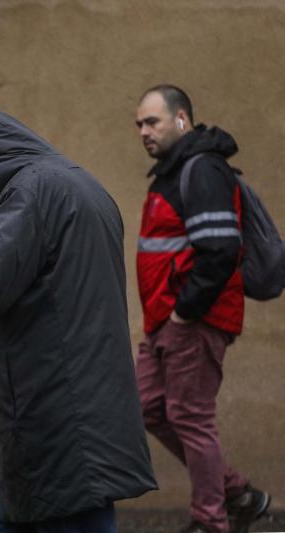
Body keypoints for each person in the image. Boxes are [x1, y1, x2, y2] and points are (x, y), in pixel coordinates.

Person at [0, 110, 157, 532]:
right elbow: (28, 264)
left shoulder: (35, 188)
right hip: (72, 421)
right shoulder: (73, 183)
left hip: (62, 426)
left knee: (74, 514)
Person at [134, 85, 271, 533]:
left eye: (151, 121)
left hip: (193, 319)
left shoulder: (203, 170)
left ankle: (210, 521)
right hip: (165, 321)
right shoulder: (171, 173)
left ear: (181, 120)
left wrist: (183, 312)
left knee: (190, 416)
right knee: (148, 407)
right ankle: (239, 495)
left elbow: (219, 251)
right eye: (139, 124)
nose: (143, 131)